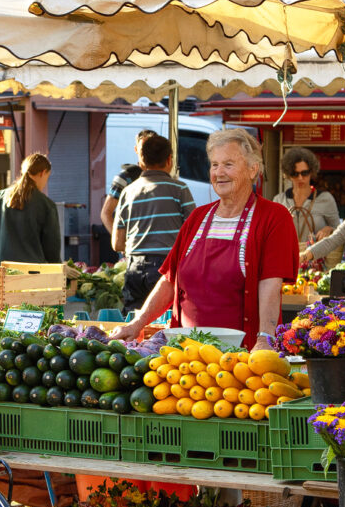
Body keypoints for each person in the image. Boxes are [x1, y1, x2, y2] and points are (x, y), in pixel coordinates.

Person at [114, 129, 296, 352]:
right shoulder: (197, 218)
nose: (219, 172)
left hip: (239, 357)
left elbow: (270, 285)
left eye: (228, 164)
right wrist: (137, 323)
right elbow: (169, 281)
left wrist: (265, 339)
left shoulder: (274, 217)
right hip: (185, 356)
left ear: (252, 170)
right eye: (214, 164)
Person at [112, 134, 195, 312]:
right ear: (169, 160)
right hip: (167, 269)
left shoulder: (128, 192)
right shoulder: (179, 189)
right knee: (164, 326)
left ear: (141, 161)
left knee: (134, 325)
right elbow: (194, 233)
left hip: (133, 268)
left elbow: (117, 243)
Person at [0, 153, 61, 264]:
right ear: (43, 173)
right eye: (47, 176)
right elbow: (52, 253)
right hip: (31, 275)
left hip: (0, 273)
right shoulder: (47, 205)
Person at [273, 146, 340, 254]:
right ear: (289, 174)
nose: (300, 178)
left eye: (304, 173)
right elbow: (270, 234)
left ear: (311, 172)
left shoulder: (325, 199)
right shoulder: (279, 200)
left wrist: (329, 229)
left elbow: (340, 231)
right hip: (286, 257)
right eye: (295, 174)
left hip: (316, 261)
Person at [100, 129, 158, 235]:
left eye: (150, 149)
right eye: (143, 149)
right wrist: (121, 243)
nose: (147, 153)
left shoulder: (164, 178)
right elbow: (106, 213)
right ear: (136, 149)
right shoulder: (125, 177)